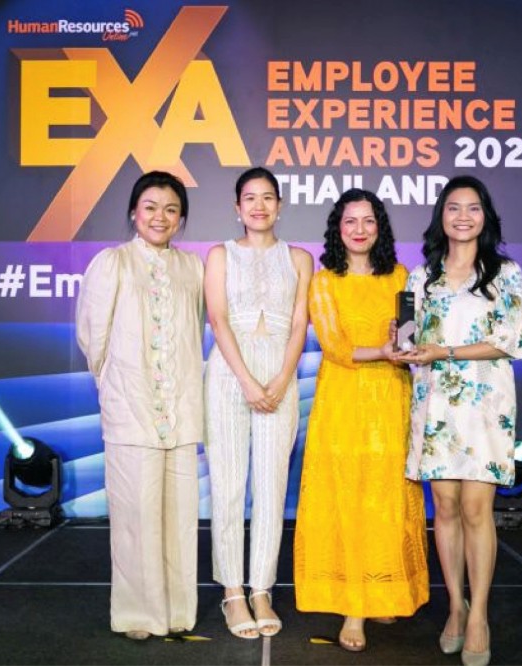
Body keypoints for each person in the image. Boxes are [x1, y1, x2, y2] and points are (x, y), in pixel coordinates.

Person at [400, 175, 522, 666]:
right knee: (446, 507)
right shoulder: (422, 277)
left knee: (478, 509)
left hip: (484, 404)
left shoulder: (506, 273)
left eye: (472, 208)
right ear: (441, 216)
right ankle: (456, 606)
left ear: (485, 216)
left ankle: (480, 616)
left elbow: (509, 340)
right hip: (435, 404)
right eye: (453, 207)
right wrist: (403, 343)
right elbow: (412, 339)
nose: (462, 216)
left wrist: (445, 352)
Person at [294, 189, 429, 652]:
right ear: (338, 228)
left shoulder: (400, 275)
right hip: (344, 402)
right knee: (350, 497)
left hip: (392, 399)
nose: (359, 229)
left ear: (380, 227)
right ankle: (354, 608)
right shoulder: (324, 281)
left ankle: (382, 590)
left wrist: (403, 341)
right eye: (350, 221)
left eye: (368, 221)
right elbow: (335, 346)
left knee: (386, 497)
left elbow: (409, 336)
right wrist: (383, 351)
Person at [75, 171, 204, 640]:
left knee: (178, 516)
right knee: (136, 516)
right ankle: (137, 615)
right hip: (130, 408)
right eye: (150, 207)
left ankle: (177, 611)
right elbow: (93, 337)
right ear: (134, 213)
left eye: (171, 209)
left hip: (182, 409)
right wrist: (116, 386)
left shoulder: (192, 268)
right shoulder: (112, 263)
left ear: (181, 218)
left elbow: (195, 330)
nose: (160, 217)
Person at [204, 167, 313, 639]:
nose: (259, 206)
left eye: (268, 197)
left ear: (280, 205)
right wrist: (247, 381)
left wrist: (282, 378)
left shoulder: (300, 258)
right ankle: (233, 592)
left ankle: (262, 589)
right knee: (228, 485)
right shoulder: (219, 255)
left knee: (271, 487)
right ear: (237, 207)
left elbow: (300, 323)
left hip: (280, 374)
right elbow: (217, 318)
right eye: (250, 198)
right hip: (230, 373)